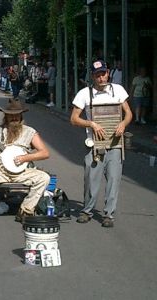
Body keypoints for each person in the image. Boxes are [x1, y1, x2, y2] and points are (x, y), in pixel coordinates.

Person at [70, 59, 132, 228]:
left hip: (115, 143)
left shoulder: (118, 90)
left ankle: (108, 214)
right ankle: (87, 211)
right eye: (97, 75)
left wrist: (122, 124)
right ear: (93, 76)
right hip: (94, 144)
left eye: (103, 74)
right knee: (91, 178)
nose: (101, 78)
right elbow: (74, 119)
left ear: (108, 73)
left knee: (113, 179)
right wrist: (91, 124)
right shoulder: (84, 94)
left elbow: (128, 114)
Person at [0, 100, 50, 229]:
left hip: (22, 172)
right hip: (0, 171)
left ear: (21, 116)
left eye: (17, 115)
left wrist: (26, 157)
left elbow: (45, 153)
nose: (14, 118)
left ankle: (25, 211)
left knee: (43, 177)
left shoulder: (30, 132)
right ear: (5, 116)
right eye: (10, 115)